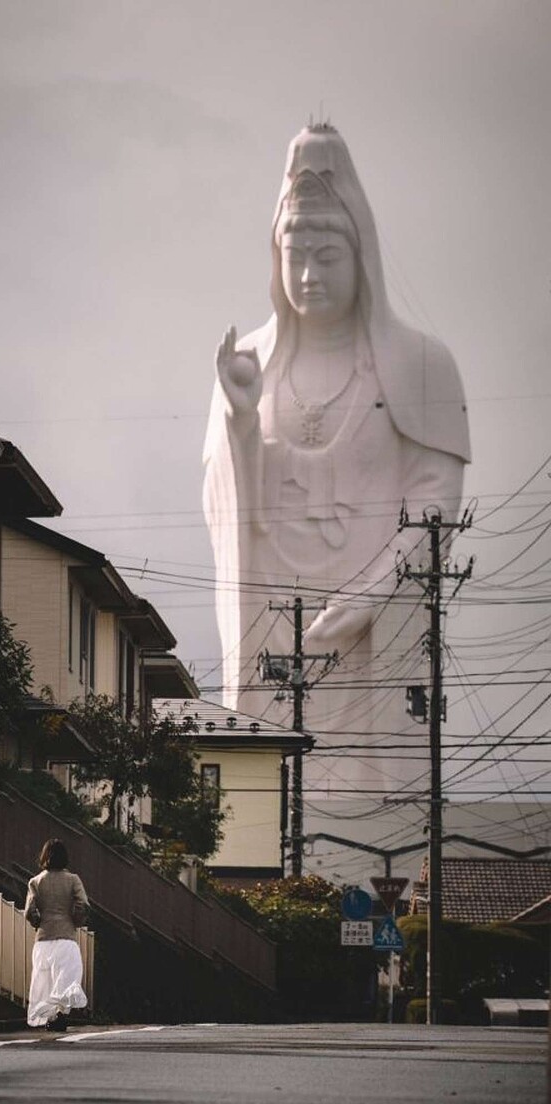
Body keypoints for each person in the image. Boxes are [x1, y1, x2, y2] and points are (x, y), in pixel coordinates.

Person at [203, 124, 471, 804]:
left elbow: (436, 497)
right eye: (294, 256)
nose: (308, 276)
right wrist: (239, 419)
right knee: (273, 788)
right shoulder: (248, 360)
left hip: (371, 625)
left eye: (326, 256)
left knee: (371, 792)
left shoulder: (419, 362)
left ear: (362, 254)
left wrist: (371, 593)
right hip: (277, 618)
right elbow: (225, 506)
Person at [24, 838, 89, 1032]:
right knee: (66, 980)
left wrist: (39, 923)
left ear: (44, 857)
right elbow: (83, 904)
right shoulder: (73, 880)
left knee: (44, 981)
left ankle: (49, 1017)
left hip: (43, 940)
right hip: (66, 938)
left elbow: (29, 911)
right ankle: (60, 1015)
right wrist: (75, 921)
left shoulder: (36, 881)